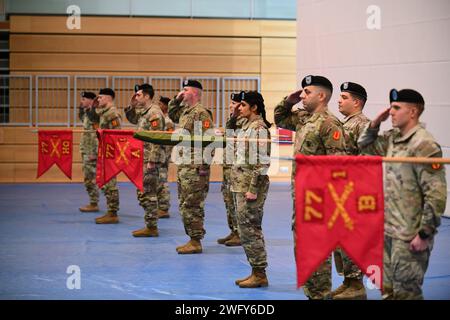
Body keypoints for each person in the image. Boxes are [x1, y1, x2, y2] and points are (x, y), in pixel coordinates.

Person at [358, 88, 447, 299]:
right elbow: (364, 146)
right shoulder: (393, 139)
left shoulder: (424, 144)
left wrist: (425, 233)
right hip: (388, 230)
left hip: (409, 235)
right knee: (388, 291)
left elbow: (436, 194)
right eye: (391, 108)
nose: (391, 113)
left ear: (413, 112)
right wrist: (374, 123)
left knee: (406, 293)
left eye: (397, 108)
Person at [274, 75, 346, 299]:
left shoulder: (329, 123)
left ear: (322, 96)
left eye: (307, 92)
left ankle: (320, 294)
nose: (303, 96)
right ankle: (312, 292)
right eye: (303, 92)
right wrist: (289, 100)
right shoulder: (303, 118)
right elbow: (279, 119)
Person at [332, 82, 370, 300]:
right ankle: (348, 281)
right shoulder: (347, 123)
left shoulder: (363, 124)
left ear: (356, 102)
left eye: (344, 97)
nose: (339, 100)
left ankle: (357, 285)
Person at [168, 80, 214, 254]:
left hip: (195, 167)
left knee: (192, 204)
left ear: (194, 93)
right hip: (185, 165)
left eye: (185, 90)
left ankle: (196, 241)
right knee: (184, 204)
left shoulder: (201, 113)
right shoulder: (185, 112)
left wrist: (203, 165)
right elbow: (172, 114)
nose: (182, 92)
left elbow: (209, 141)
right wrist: (176, 99)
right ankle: (192, 239)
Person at [232, 91, 271, 288]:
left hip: (250, 186)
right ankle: (255, 271)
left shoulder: (259, 129)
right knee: (245, 229)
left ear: (254, 107)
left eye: (243, 105)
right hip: (240, 183)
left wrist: (253, 188)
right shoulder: (246, 126)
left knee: (251, 229)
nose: (239, 108)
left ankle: (260, 273)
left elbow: (262, 162)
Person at [125, 84, 166, 237]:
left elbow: (157, 137)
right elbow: (132, 119)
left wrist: (152, 160)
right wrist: (132, 105)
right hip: (142, 156)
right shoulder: (144, 112)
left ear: (147, 96)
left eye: (139, 95)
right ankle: (150, 224)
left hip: (150, 158)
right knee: (143, 192)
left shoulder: (154, 113)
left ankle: (152, 227)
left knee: (148, 192)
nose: (137, 97)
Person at [87, 88, 121, 224]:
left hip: (110, 153)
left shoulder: (113, 113)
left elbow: (117, 134)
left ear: (108, 98)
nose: (98, 99)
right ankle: (110, 211)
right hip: (104, 152)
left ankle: (113, 213)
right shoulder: (103, 112)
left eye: (100, 97)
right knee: (106, 183)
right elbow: (92, 118)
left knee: (111, 183)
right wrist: (93, 106)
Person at [216, 92, 246, 247]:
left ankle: (240, 233)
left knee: (236, 202)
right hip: (228, 166)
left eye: (234, 103)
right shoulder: (233, 120)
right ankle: (234, 231)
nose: (230, 106)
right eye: (231, 103)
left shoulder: (245, 121)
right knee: (228, 201)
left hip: (238, 168)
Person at [78, 91, 100, 213]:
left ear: (91, 100)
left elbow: (96, 135)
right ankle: (93, 201)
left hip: (91, 150)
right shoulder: (87, 113)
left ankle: (94, 203)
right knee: (88, 177)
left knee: (90, 177)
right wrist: (82, 108)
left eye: (84, 99)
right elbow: (81, 117)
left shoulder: (95, 114)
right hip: (85, 148)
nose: (81, 101)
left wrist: (94, 152)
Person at [157, 96, 174, 219]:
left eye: (160, 104)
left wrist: (165, 157)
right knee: (158, 180)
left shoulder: (168, 121)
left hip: (163, 155)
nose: (158, 105)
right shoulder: (160, 119)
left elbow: (169, 140)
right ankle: (160, 206)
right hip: (159, 154)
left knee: (162, 181)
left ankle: (164, 208)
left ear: (166, 106)